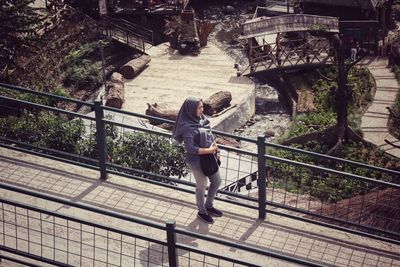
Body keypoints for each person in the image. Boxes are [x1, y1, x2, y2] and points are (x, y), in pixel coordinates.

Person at [172, 97, 223, 223]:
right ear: (191, 110)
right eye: (199, 108)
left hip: (209, 157)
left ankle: (209, 206)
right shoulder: (187, 126)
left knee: (217, 181)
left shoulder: (203, 119)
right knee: (202, 185)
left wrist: (216, 150)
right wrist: (210, 151)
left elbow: (210, 136)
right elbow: (191, 148)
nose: (202, 110)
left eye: (202, 107)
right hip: (196, 160)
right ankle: (202, 211)